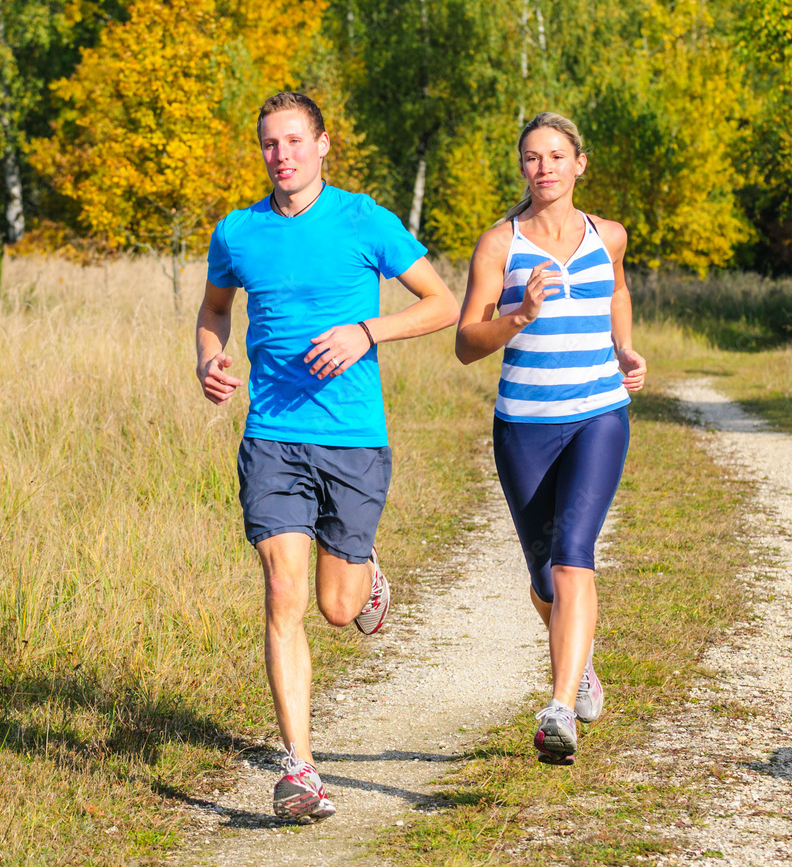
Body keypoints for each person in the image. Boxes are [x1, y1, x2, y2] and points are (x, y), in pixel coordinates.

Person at [196, 91, 459, 819]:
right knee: (282, 593)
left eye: (293, 141)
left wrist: (366, 332)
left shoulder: (363, 219)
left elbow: (441, 303)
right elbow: (215, 311)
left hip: (353, 439)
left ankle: (364, 576)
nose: (281, 156)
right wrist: (208, 360)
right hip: (272, 436)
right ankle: (301, 771)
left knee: (336, 609)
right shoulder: (238, 231)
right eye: (269, 145)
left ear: (322, 145)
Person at [454, 111, 646, 765]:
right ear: (522, 168)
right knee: (543, 579)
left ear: (579, 162)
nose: (545, 169)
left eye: (557, 156)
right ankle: (581, 660)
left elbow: (617, 291)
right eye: (533, 158)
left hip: (599, 413)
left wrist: (624, 348)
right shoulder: (499, 244)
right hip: (523, 426)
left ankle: (560, 706)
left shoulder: (609, 235)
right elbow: (465, 343)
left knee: (573, 554)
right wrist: (520, 315)